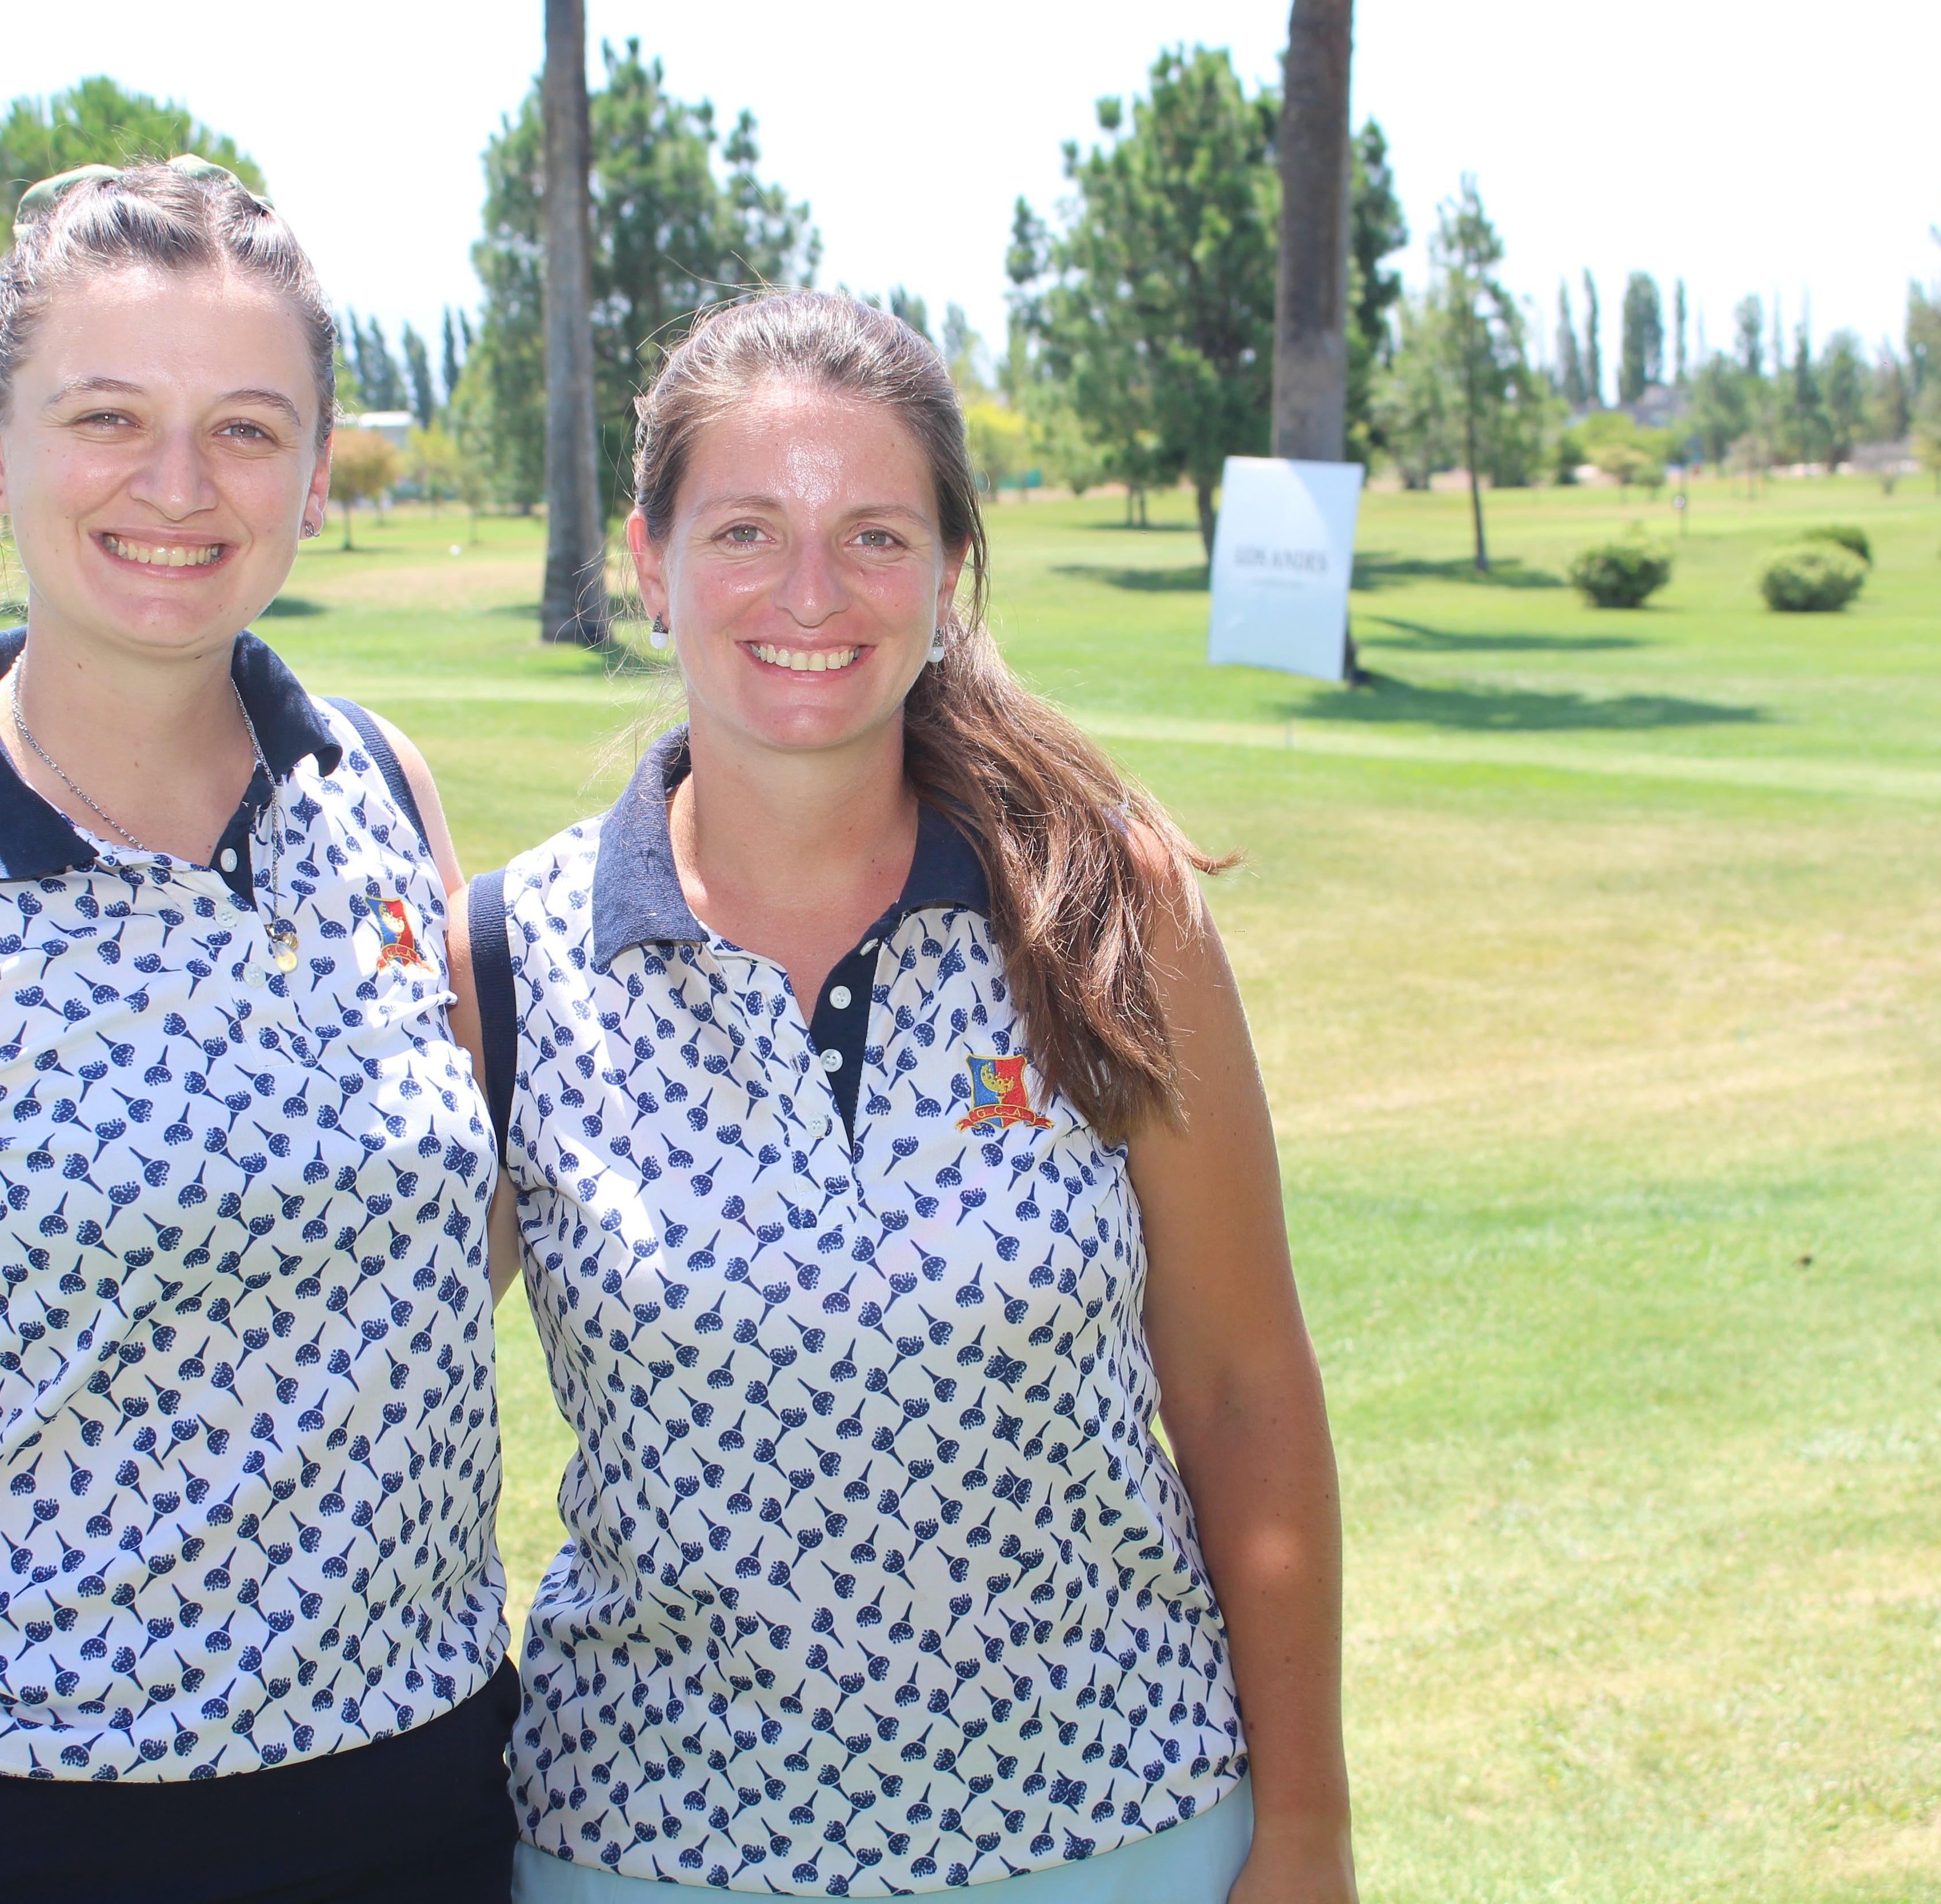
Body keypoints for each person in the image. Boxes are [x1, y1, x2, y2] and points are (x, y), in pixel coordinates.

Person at [0, 159, 513, 1904]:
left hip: (431, 1800)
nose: (179, 487)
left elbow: (430, 1249)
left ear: (312, 462)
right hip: (31, 1831)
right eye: (108, 416)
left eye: (248, 428)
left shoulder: (381, 791)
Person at [453, 292, 1352, 1903]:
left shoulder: (1106, 913)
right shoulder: (514, 958)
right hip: (652, 1854)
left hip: (1119, 1835)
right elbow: (365, 1396)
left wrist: (1307, 1832)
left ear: (947, 578)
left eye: (874, 534)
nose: (811, 592)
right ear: (650, 568)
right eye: (745, 530)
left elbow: (1242, 1393)